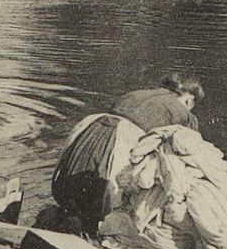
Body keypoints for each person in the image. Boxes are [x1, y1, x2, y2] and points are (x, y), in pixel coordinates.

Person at [49, 73, 205, 233]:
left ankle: (72, 214)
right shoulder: (185, 114)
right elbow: (189, 150)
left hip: (91, 130)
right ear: (189, 99)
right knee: (113, 192)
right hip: (122, 138)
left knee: (81, 180)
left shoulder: (137, 93)